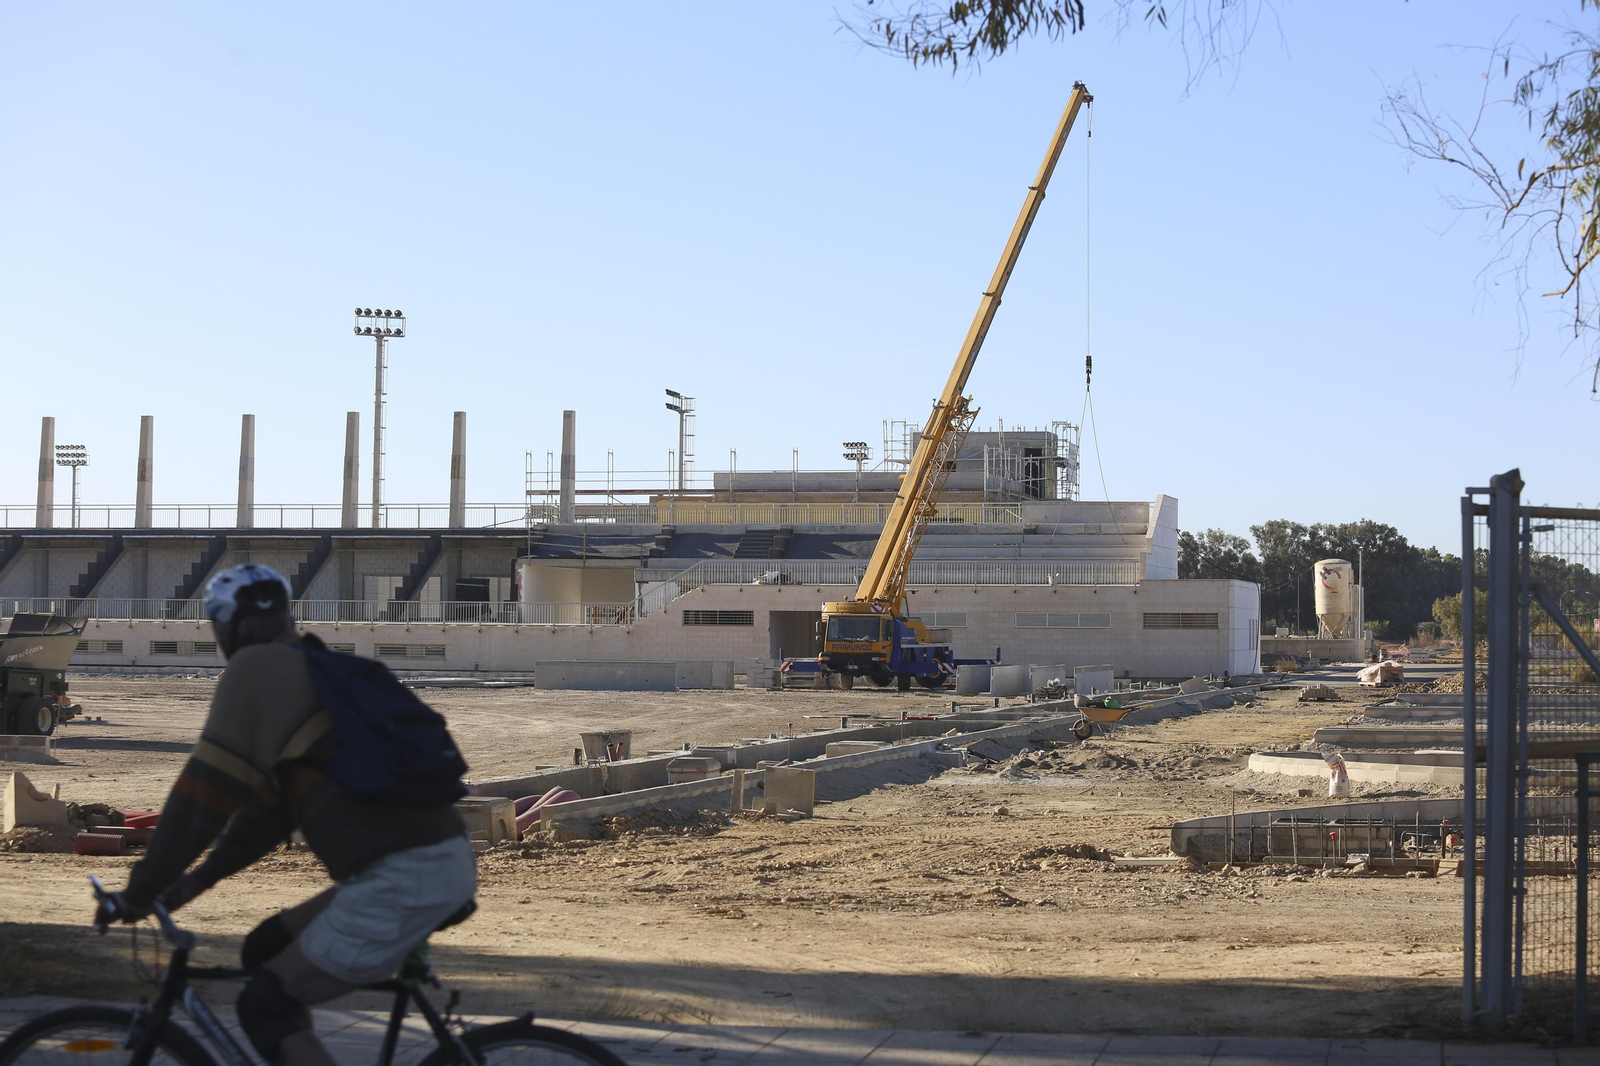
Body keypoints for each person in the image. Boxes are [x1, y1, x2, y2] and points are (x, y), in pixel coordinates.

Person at [98, 564, 475, 1066]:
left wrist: (139, 891)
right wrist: (192, 884)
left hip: (403, 876)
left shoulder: (254, 670)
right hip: (431, 860)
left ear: (225, 626)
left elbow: (199, 802)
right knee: (262, 951)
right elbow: (265, 818)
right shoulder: (311, 665)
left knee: (263, 1006)